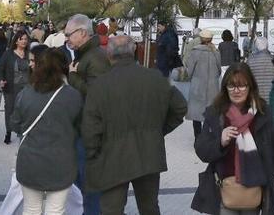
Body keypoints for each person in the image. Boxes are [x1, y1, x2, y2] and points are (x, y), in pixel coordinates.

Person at [82, 35, 188, 215]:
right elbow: (180, 107)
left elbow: (91, 127)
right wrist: (159, 130)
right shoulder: (155, 78)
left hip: (111, 157)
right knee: (149, 208)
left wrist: (92, 155)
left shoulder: (100, 85)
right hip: (148, 153)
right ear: (135, 51)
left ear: (109, 54)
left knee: (111, 210)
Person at [191, 63, 274, 215]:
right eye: (231, 86)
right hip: (224, 186)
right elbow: (201, 150)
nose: (236, 90)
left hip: (255, 187)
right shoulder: (216, 113)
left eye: (241, 85)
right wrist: (220, 142)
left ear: (250, 87)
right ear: (225, 88)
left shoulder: (262, 113)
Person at [10, 47, 83, 215]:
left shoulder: (26, 93)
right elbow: (80, 127)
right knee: (56, 210)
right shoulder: (72, 95)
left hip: (30, 161)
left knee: (31, 208)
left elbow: (14, 124)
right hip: (61, 161)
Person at [65, 13, 110, 215]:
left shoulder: (96, 57)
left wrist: (73, 77)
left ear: (82, 33)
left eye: (69, 34)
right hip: (81, 129)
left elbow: (96, 95)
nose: (67, 39)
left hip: (90, 134)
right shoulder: (85, 55)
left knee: (89, 186)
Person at [185, 29, 223, 138]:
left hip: (197, 86)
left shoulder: (195, 52)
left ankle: (198, 137)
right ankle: (208, 136)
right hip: (212, 86)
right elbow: (219, 70)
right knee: (210, 112)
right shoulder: (216, 52)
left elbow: (190, 71)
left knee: (196, 113)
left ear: (200, 39)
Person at [0, 30, 33, 144]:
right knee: (9, 109)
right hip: (11, 86)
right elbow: (1, 69)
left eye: (25, 39)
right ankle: (8, 132)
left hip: (27, 87)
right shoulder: (8, 54)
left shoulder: (30, 54)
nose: (24, 41)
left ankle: (24, 132)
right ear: (16, 41)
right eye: (21, 39)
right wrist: (1, 80)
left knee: (26, 110)